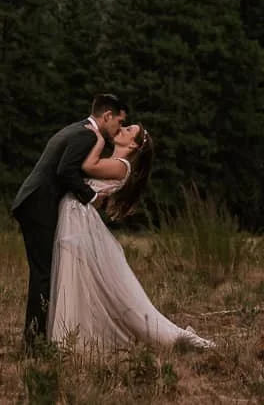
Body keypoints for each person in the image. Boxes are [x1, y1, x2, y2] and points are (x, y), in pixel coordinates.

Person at [49, 122, 214, 351]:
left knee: (78, 274)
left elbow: (87, 165)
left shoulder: (121, 166)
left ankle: (70, 337)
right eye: (126, 126)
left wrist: (97, 139)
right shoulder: (116, 163)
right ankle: (72, 331)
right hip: (76, 215)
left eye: (129, 131)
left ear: (133, 145)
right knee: (77, 277)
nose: (123, 129)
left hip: (79, 217)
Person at [12, 94, 126, 351]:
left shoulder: (77, 129)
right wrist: (93, 197)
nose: (118, 128)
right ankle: (34, 343)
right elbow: (66, 171)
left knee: (43, 272)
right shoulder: (87, 135)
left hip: (34, 202)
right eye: (119, 121)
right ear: (107, 115)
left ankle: (37, 337)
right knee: (43, 273)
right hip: (38, 205)